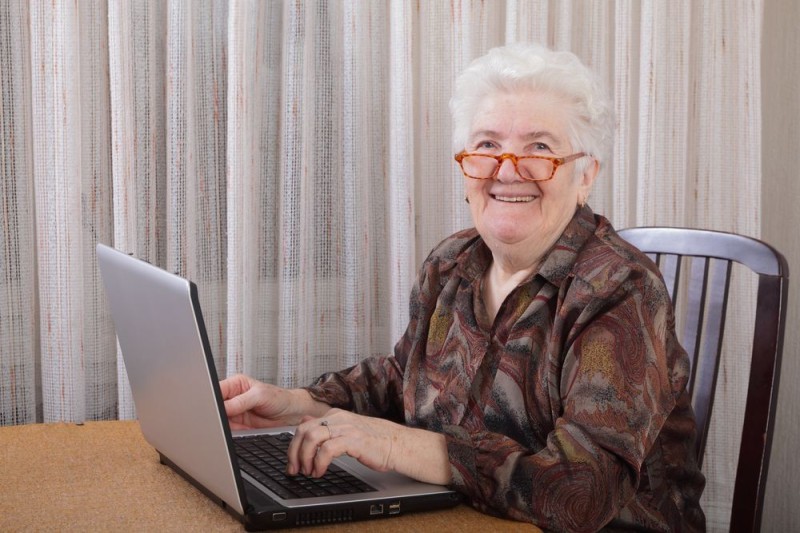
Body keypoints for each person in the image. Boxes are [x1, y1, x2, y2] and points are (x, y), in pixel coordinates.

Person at [220, 42, 706, 532]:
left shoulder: (620, 288)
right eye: (488, 144)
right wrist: (299, 404)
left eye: (539, 147)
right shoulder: (452, 262)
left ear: (586, 176)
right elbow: (402, 378)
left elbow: (583, 491)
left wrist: (395, 445)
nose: (507, 168)